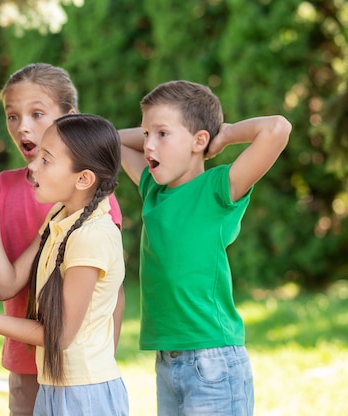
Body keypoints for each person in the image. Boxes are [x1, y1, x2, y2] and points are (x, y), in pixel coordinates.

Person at [0, 113, 129, 416]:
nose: (32, 166)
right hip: (54, 388)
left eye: (46, 160)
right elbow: (7, 285)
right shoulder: (59, 216)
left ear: (83, 178)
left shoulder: (93, 236)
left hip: (86, 396)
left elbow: (59, 336)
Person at [119, 80, 292, 416]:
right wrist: (156, 130)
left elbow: (277, 127)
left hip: (212, 361)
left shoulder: (218, 188)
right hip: (167, 360)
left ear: (200, 141)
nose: (149, 146)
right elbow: (109, 139)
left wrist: (222, 135)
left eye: (162, 134)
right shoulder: (153, 190)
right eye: (145, 135)